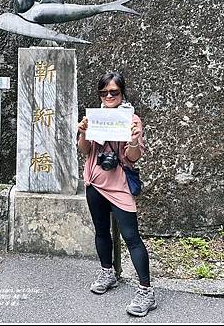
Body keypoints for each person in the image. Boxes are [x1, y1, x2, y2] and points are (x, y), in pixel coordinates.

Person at [77, 71, 156, 317]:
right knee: (101, 231)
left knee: (131, 236)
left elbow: (133, 157)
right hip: (94, 182)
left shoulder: (131, 119)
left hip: (119, 185)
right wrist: (82, 132)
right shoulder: (93, 117)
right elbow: (84, 150)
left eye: (114, 92)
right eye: (104, 92)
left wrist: (133, 139)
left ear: (122, 94)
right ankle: (107, 272)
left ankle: (146, 291)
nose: (109, 96)